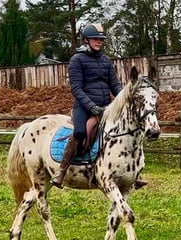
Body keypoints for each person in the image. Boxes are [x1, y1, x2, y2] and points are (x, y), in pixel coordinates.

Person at [50, 23, 147, 190]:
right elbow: (76, 88)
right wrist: (91, 107)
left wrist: (126, 98)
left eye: (101, 39)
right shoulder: (76, 60)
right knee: (80, 132)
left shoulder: (105, 60)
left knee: (125, 129)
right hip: (83, 106)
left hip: (106, 106)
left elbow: (114, 85)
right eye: (96, 39)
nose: (99, 42)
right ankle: (62, 170)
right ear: (86, 40)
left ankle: (132, 172)